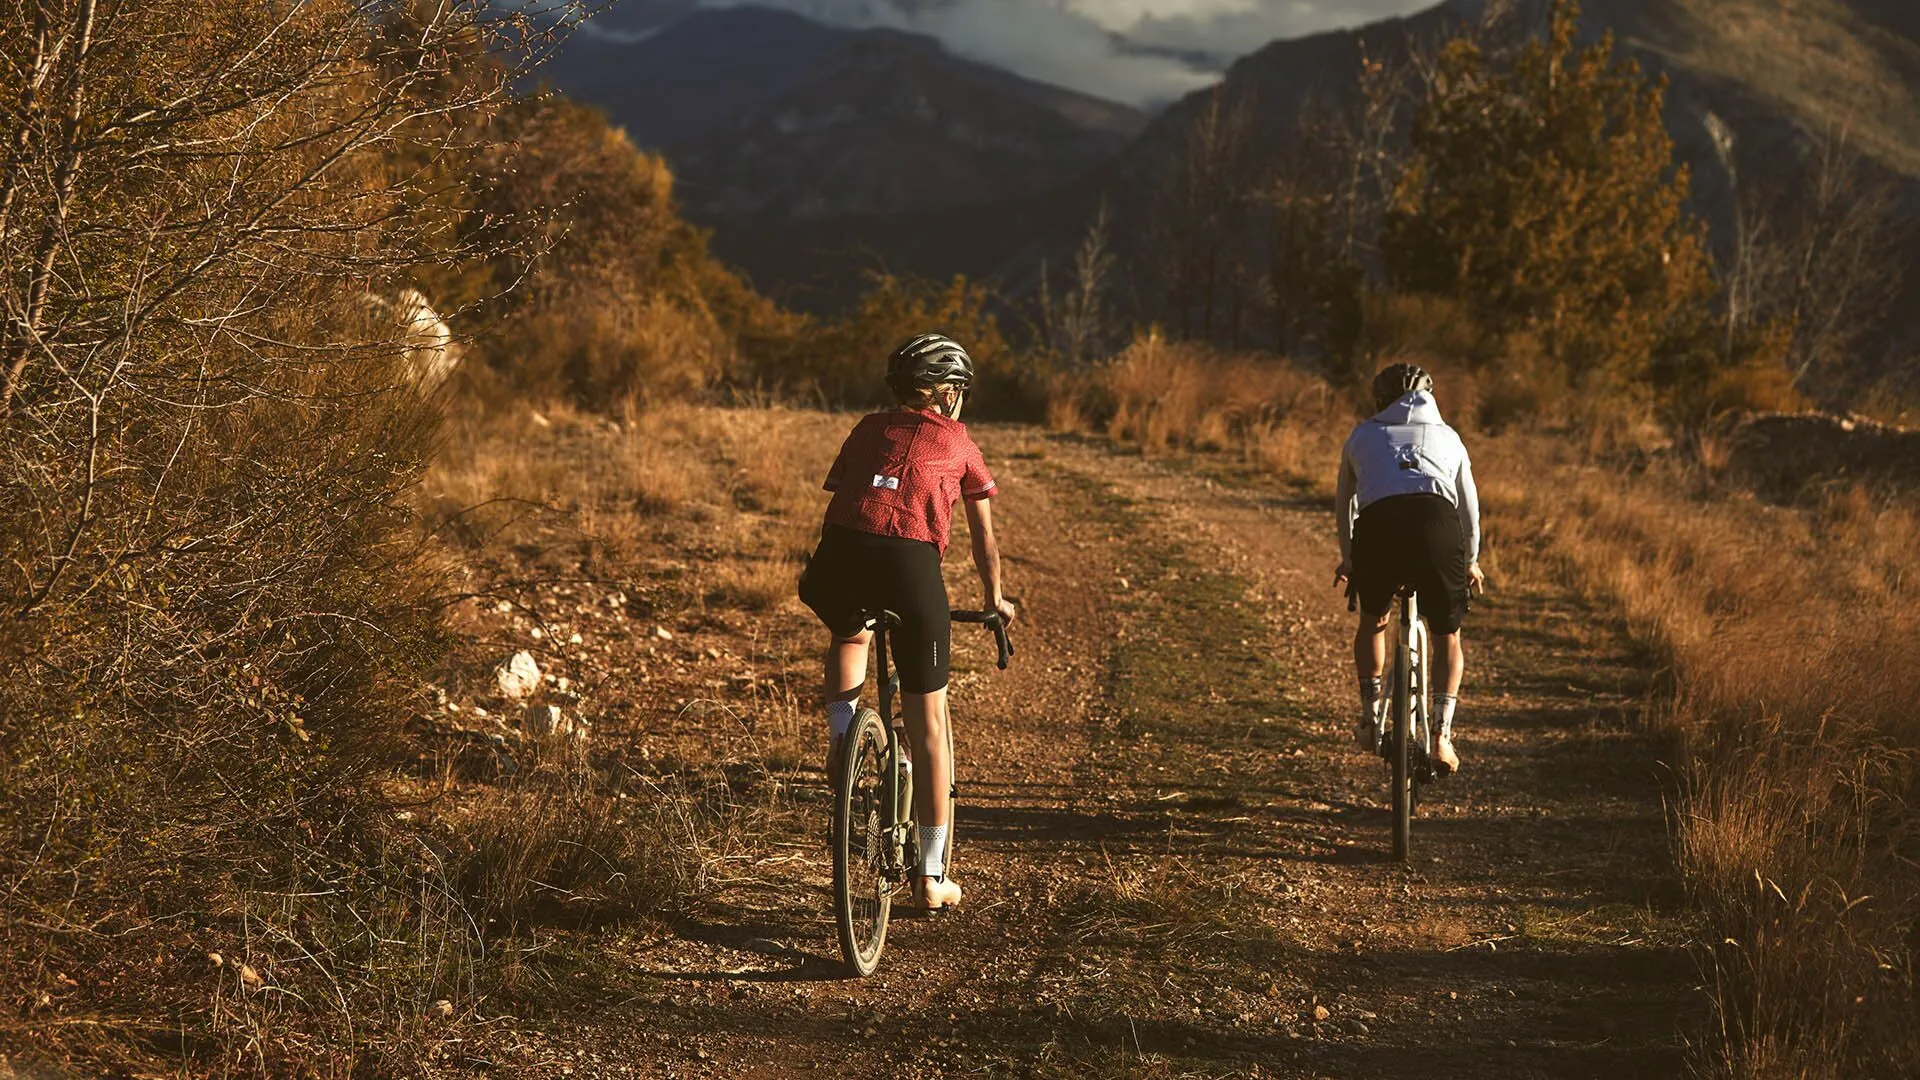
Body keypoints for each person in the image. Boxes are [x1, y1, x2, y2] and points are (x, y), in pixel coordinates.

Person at [798, 332, 1016, 911]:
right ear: (947, 394)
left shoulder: (866, 428)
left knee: (849, 630)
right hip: (910, 566)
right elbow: (983, 538)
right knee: (930, 724)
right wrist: (995, 599)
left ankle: (843, 735)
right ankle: (928, 875)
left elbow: (848, 494)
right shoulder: (961, 442)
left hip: (838, 559)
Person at [1333, 362, 1483, 775]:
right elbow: (1468, 508)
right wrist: (1470, 561)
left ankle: (1368, 716)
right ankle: (1441, 737)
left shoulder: (1362, 435)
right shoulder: (1449, 437)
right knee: (1447, 634)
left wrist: (1350, 559)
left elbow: (1345, 504)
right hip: (1438, 529)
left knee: (1373, 619)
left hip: (1379, 530)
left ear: (1381, 399)